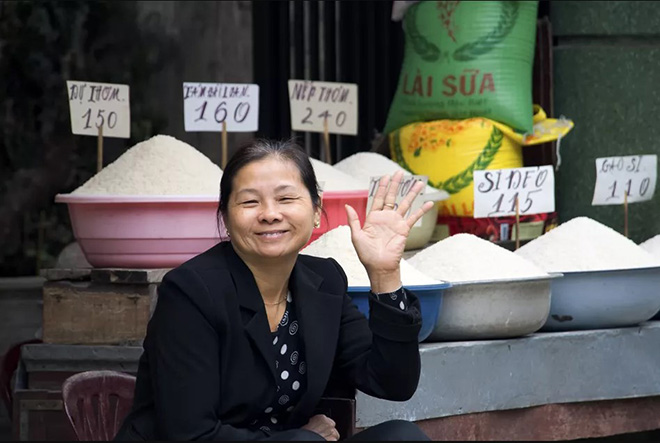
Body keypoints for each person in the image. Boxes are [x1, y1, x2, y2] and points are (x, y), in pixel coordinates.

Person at [115, 139, 433, 441]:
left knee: (403, 436)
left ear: (316, 210)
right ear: (225, 217)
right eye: (250, 201)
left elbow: (393, 382)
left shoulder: (324, 281)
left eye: (286, 198)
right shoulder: (191, 292)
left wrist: (384, 275)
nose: (269, 213)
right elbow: (190, 433)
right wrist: (297, 437)